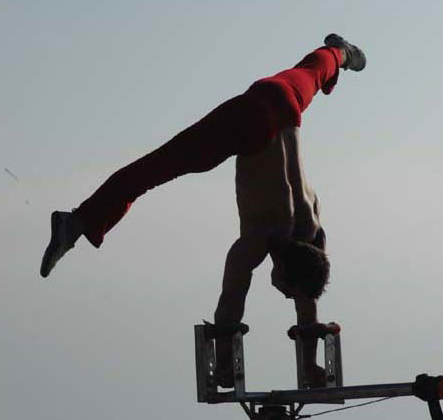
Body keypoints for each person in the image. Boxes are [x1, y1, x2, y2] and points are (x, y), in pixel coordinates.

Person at [40, 33, 365, 278]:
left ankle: (77, 221)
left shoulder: (311, 75)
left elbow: (294, 190)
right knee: (156, 169)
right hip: (266, 117)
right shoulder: (285, 222)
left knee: (155, 168)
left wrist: (340, 54)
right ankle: (77, 221)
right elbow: (295, 192)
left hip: (259, 111)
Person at [213, 126, 330, 388]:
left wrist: (310, 365)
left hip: (289, 110)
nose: (287, 297)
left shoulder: (312, 233)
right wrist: (223, 364)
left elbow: (307, 301)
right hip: (253, 122)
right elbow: (231, 297)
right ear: (283, 271)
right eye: (289, 293)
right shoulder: (260, 235)